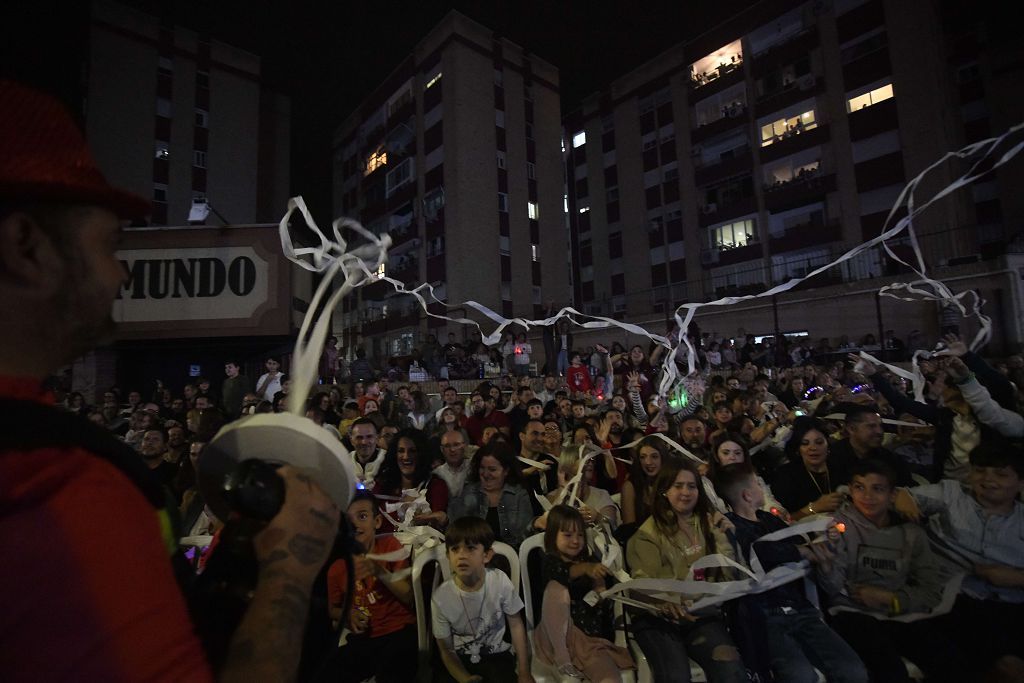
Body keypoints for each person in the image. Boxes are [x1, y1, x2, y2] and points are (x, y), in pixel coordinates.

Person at [0, 78, 339, 681]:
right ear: (26, 247)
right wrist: (290, 569)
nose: (120, 278)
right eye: (110, 246)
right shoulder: (54, 493)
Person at [818, 460, 969, 683]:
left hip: (900, 613)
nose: (867, 496)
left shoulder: (910, 533)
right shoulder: (839, 527)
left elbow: (930, 589)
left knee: (952, 661)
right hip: (853, 613)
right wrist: (827, 563)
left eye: (877, 489)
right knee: (889, 669)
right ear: (851, 490)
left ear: (892, 495)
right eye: (859, 487)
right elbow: (832, 586)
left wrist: (893, 599)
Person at [714, 464, 867, 683]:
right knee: (800, 676)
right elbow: (758, 551)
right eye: (757, 484)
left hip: (800, 609)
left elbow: (800, 544)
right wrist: (799, 552)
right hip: (765, 616)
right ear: (747, 495)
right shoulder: (731, 526)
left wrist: (823, 544)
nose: (761, 488)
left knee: (853, 670)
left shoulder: (770, 520)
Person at [895, 439, 1024, 675]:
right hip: (956, 599)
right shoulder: (952, 495)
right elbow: (895, 494)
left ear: (1020, 482)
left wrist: (1016, 577)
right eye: (980, 471)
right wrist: (902, 497)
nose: (988, 480)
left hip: (1013, 604)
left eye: (1001, 474)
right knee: (1009, 666)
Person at [625, 459, 745, 683]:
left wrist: (726, 538)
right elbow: (641, 587)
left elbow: (731, 577)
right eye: (678, 486)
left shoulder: (708, 524)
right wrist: (664, 602)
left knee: (731, 669)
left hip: (700, 614)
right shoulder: (647, 534)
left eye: (691, 486)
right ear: (664, 491)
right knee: (676, 675)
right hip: (658, 618)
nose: (685, 492)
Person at [533, 505, 634, 681]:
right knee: (556, 588)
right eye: (567, 535)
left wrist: (599, 587)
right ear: (552, 536)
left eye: (580, 535)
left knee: (609, 677)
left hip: (588, 639)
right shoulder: (550, 561)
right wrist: (586, 569)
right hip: (557, 638)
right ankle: (563, 658)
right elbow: (563, 572)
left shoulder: (590, 560)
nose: (575, 540)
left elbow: (599, 601)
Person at [325, 491, 416, 683]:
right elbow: (332, 609)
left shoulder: (390, 547)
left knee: (397, 664)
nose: (356, 525)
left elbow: (409, 597)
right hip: (365, 638)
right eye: (349, 520)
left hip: (398, 631)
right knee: (329, 668)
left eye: (362, 516)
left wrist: (378, 570)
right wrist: (347, 614)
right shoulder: (337, 568)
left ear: (377, 522)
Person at [431, 516, 535, 683]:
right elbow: (446, 650)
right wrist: (465, 678)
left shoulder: (499, 581)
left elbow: (516, 625)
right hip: (460, 659)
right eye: (455, 549)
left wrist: (524, 671)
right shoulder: (441, 597)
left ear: (487, 555)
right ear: (448, 556)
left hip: (496, 655)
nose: (462, 556)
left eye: (470, 548)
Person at [448, 441, 539, 549]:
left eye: (492, 469)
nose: (486, 474)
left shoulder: (519, 494)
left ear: (506, 471)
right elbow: (456, 531)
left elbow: (525, 536)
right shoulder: (468, 492)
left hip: (511, 557)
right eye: (482, 468)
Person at [371, 428, 448, 532]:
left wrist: (441, 519)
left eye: (412, 451)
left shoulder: (436, 486)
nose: (406, 456)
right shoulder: (382, 485)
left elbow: (439, 522)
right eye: (401, 451)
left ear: (422, 454)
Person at [771, 417, 847, 520]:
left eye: (819, 442)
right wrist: (814, 507)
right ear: (798, 449)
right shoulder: (785, 475)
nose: (813, 448)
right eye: (805, 444)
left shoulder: (840, 467)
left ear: (827, 445)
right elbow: (785, 521)